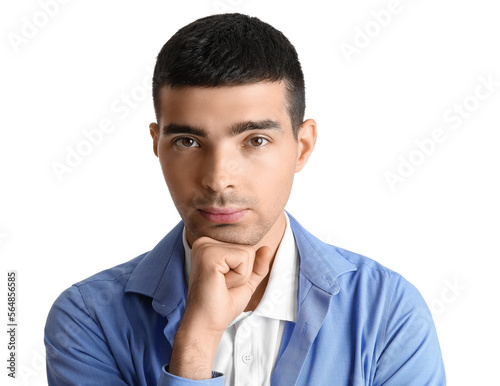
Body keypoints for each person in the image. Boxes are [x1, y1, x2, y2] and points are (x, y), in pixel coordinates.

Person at [44, 13, 446, 385]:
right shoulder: (87, 318)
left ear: (302, 147)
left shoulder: (387, 311)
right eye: (188, 141)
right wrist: (197, 341)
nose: (218, 179)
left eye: (255, 140)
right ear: (157, 145)